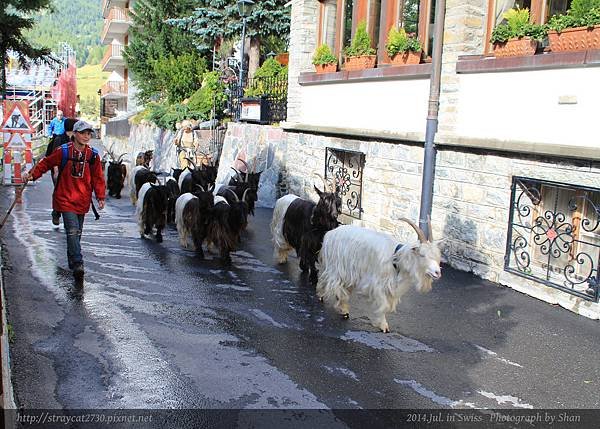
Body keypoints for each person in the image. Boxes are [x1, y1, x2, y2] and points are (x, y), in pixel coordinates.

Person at [23, 120, 106, 282]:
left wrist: (100, 196)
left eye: (88, 134)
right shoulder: (63, 151)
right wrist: (33, 174)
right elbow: (46, 163)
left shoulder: (93, 155)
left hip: (82, 200)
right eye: (82, 133)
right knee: (73, 231)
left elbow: (98, 177)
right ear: (74, 134)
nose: (86, 136)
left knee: (77, 233)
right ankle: (78, 263)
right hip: (65, 198)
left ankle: (72, 261)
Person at [46, 110, 70, 224]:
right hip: (58, 169)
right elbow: (54, 156)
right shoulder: (59, 140)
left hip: (69, 171)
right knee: (59, 191)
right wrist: (55, 170)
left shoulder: (74, 140)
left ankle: (68, 216)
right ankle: (56, 213)